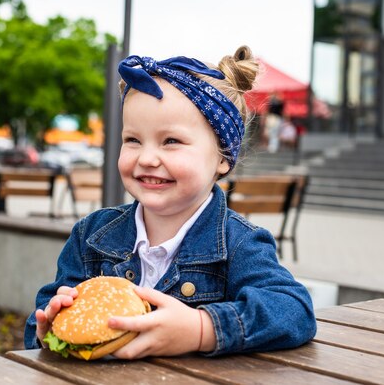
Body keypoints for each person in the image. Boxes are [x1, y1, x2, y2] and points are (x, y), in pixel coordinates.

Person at [24, 47, 316, 358]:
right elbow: (41, 316)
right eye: (133, 140)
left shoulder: (240, 243)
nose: (147, 158)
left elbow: (294, 310)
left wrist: (201, 329)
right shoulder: (91, 235)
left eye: (171, 141)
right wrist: (48, 327)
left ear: (222, 158)